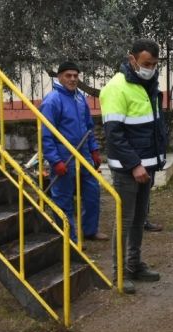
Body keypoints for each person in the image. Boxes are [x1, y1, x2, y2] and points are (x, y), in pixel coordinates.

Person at [99, 38, 167, 294]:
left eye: (154, 64)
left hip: (147, 166)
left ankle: (134, 265)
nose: (150, 68)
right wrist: (135, 165)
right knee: (124, 220)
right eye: (146, 63)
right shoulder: (116, 88)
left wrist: (153, 162)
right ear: (132, 59)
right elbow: (114, 134)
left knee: (139, 219)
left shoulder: (149, 84)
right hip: (128, 169)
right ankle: (118, 273)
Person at [40, 61, 108, 243]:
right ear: (59, 77)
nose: (72, 79)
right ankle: (69, 239)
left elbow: (88, 127)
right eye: (68, 75)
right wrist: (55, 161)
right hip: (64, 157)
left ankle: (90, 230)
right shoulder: (52, 101)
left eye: (75, 76)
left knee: (92, 192)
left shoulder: (80, 98)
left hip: (83, 154)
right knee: (64, 199)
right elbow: (46, 135)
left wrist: (94, 149)